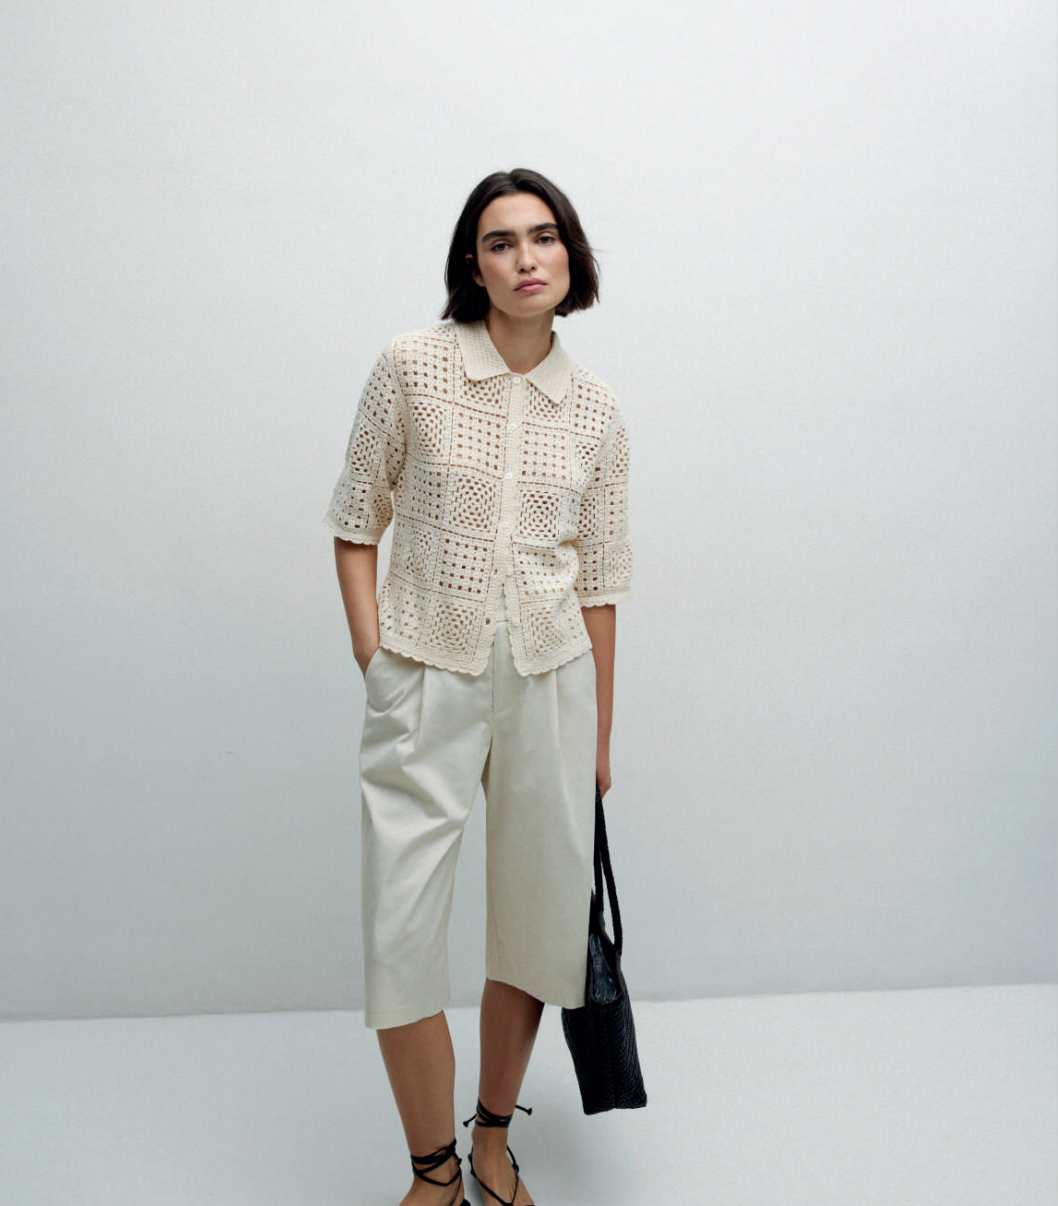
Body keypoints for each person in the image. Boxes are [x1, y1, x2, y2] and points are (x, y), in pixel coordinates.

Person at [326, 168, 631, 1206]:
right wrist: (376, 657)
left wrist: (598, 737)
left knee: (537, 927)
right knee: (399, 926)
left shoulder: (596, 411)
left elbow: (600, 584)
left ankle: (492, 1143)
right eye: (501, 242)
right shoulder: (412, 368)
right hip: (425, 671)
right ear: (474, 264)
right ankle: (433, 1171)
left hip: (551, 682)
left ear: (570, 255)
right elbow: (354, 520)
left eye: (544, 237)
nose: (526, 258)